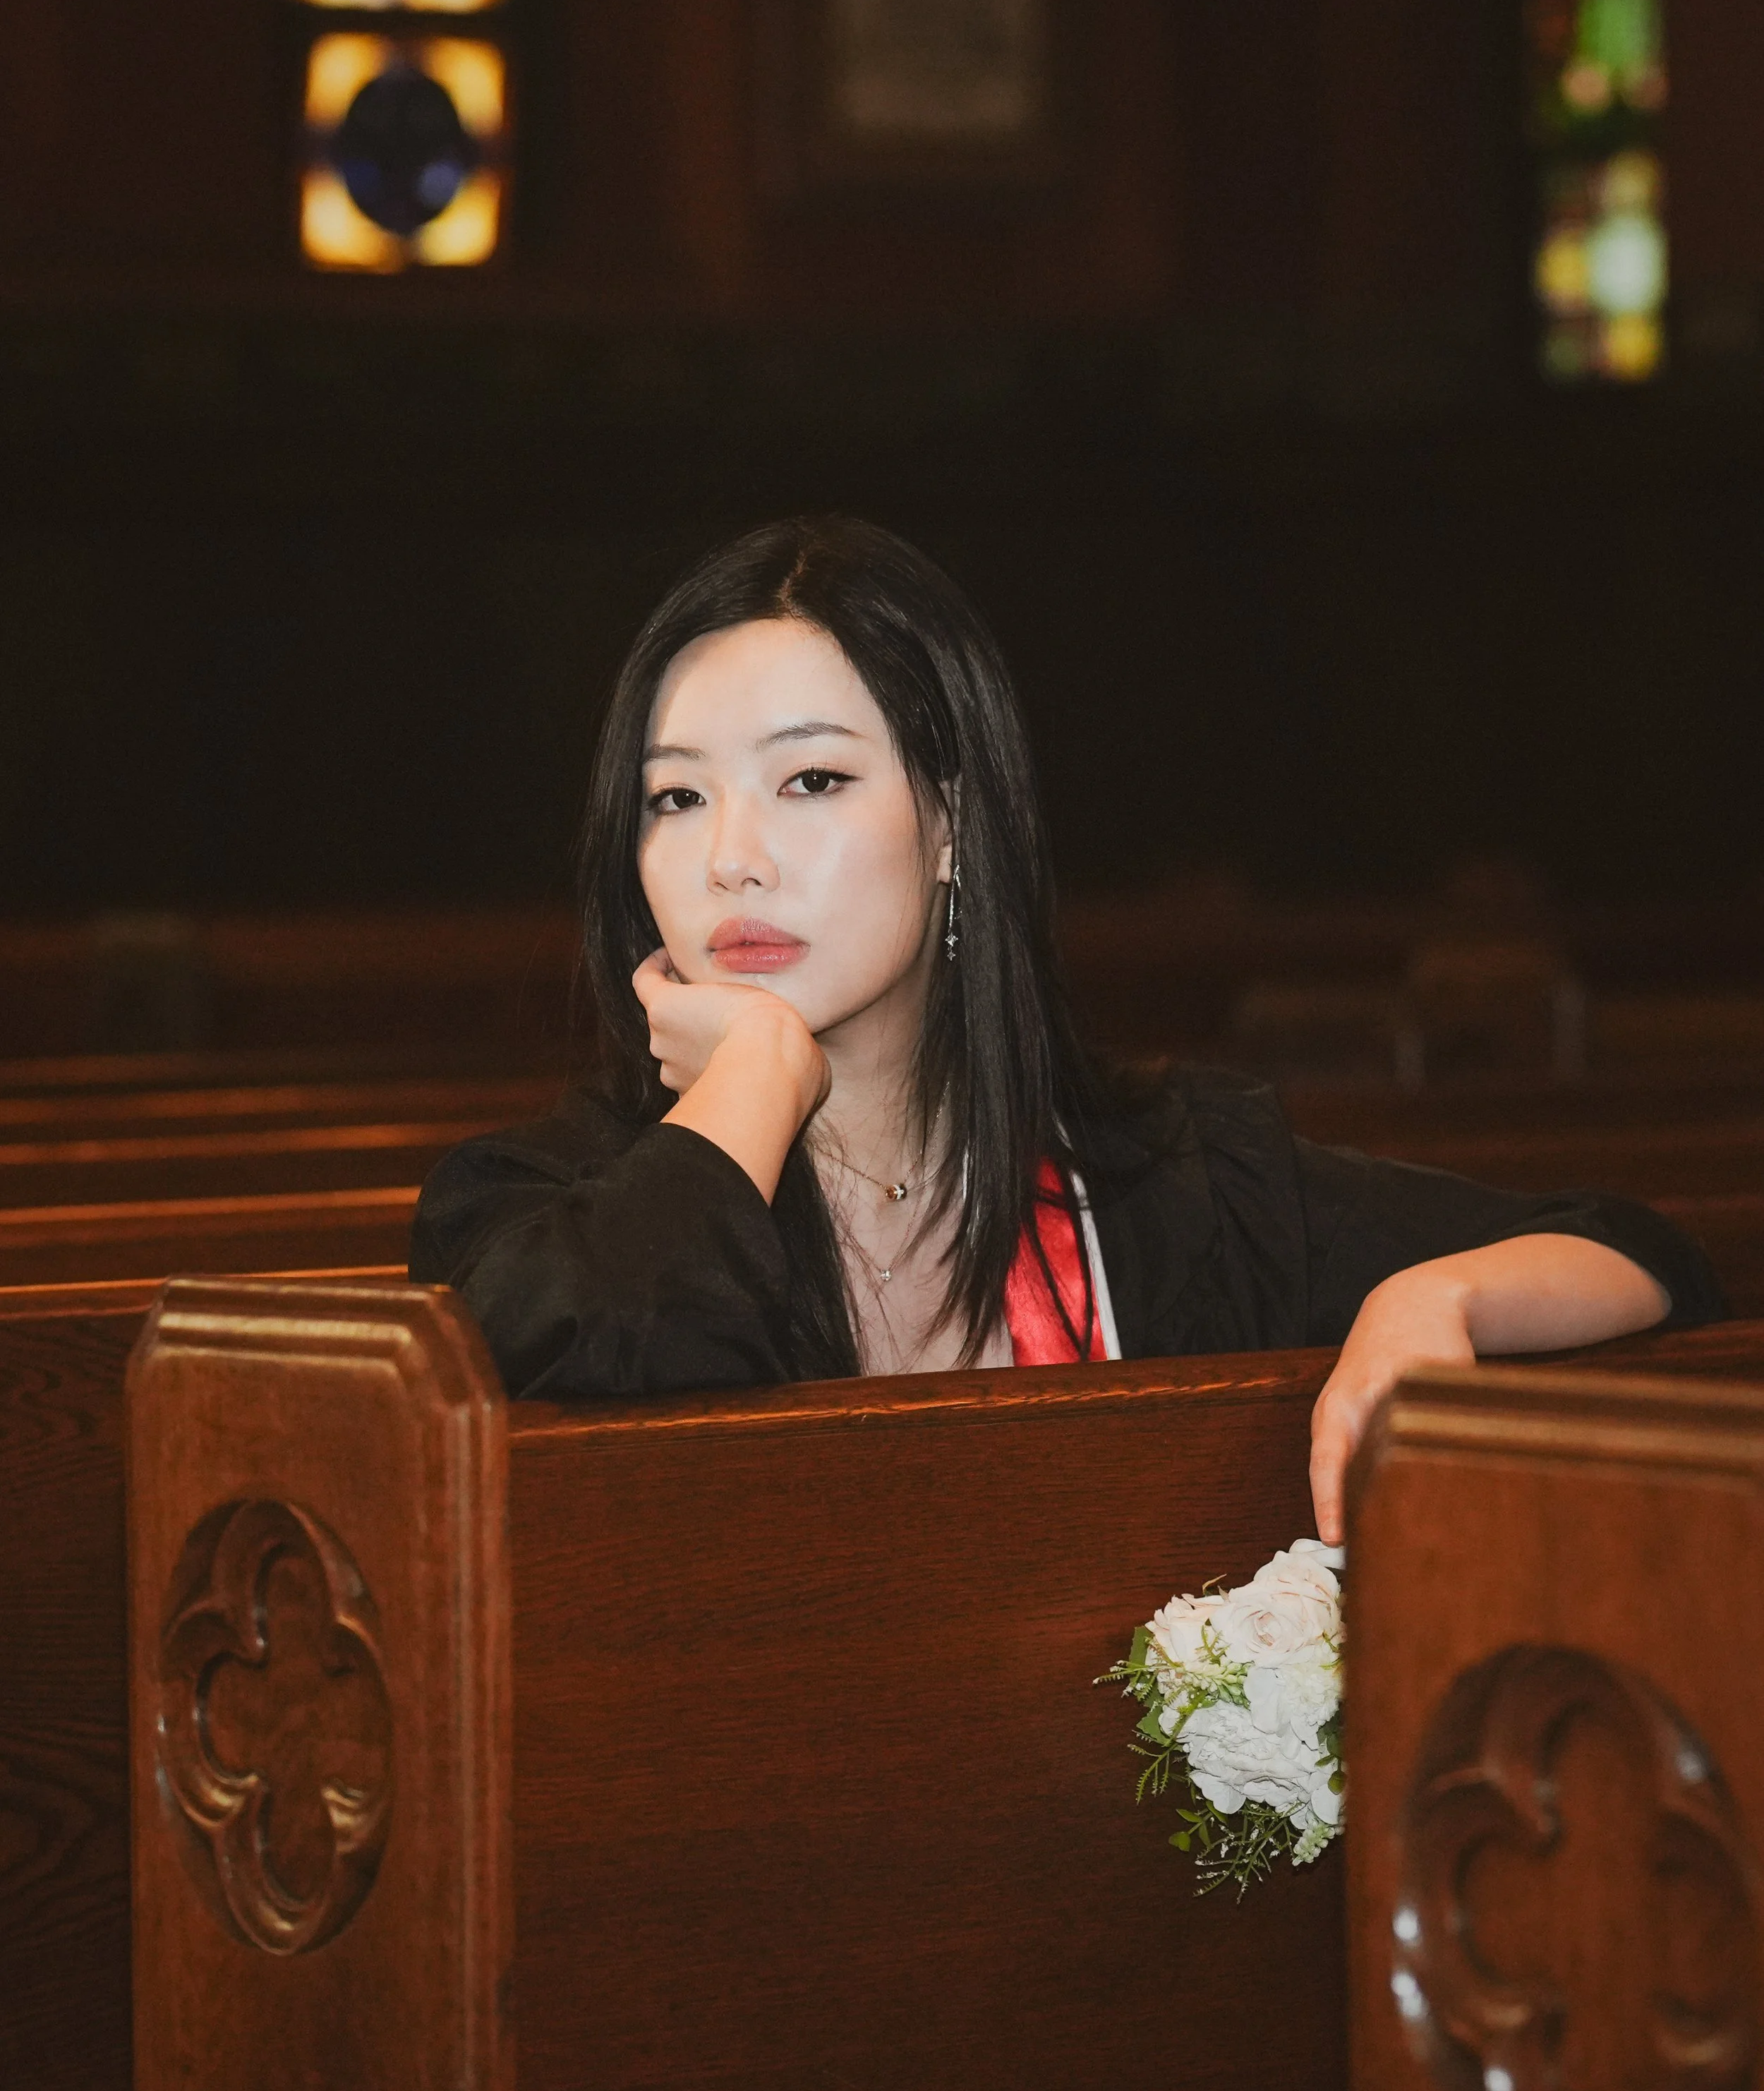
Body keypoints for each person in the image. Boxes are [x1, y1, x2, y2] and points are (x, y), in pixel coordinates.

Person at [411, 517, 1722, 1542]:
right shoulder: (531, 1206)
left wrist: (1440, 1294)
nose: (731, 859)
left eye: (811, 779)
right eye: (675, 798)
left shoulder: (1172, 1182)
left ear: (950, 825)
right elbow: (582, 1367)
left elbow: (1647, 1252)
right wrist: (755, 1077)